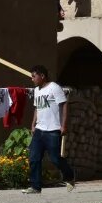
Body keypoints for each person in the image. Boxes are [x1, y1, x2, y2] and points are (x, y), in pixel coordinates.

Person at [22, 65, 75, 194]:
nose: (32, 79)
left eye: (34, 76)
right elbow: (37, 108)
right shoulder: (36, 91)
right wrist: (33, 124)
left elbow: (64, 105)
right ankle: (35, 186)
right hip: (39, 129)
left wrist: (64, 125)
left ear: (42, 76)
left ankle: (70, 176)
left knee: (55, 159)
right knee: (34, 158)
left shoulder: (54, 88)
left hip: (53, 129)